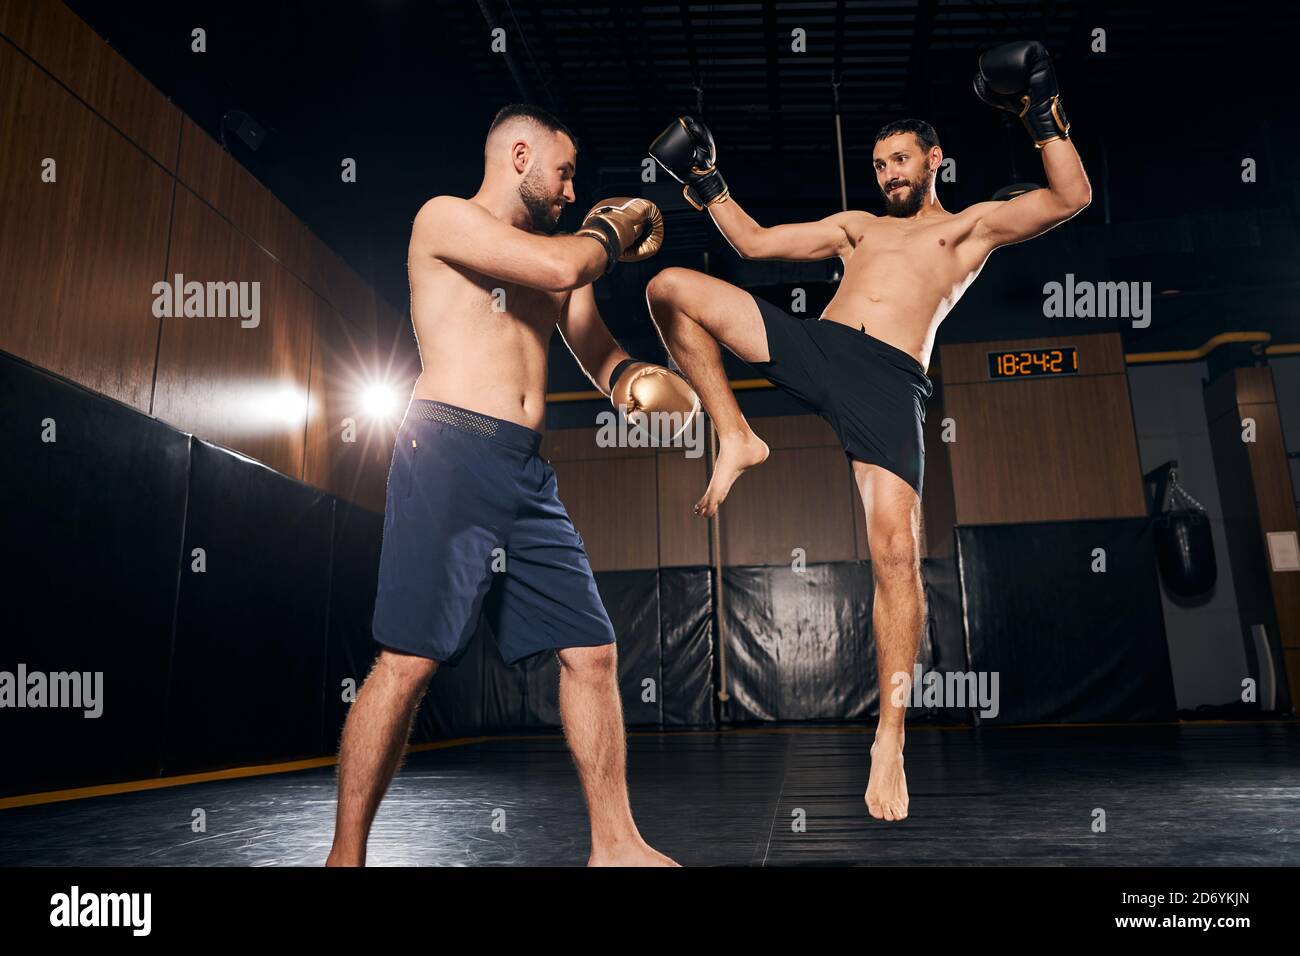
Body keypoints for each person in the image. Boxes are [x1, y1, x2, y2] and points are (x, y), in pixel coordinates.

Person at [643, 40, 1091, 821]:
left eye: (900, 161)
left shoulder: (971, 229)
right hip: (822, 348)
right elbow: (751, 244)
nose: (887, 174)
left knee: (895, 555)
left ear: (934, 161)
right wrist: (707, 181)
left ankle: (889, 737)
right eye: (880, 163)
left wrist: (1040, 111)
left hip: (890, 384)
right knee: (670, 287)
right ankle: (736, 434)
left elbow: (1070, 197)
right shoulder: (856, 227)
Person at [326, 103, 694, 866]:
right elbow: (570, 265)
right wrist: (614, 227)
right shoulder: (446, 220)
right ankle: (346, 856)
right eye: (563, 173)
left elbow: (594, 348)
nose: (569, 191)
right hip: (449, 451)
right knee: (408, 664)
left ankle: (616, 845)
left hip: (527, 471)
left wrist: (635, 382)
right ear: (519, 154)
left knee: (592, 652)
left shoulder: (555, 253)